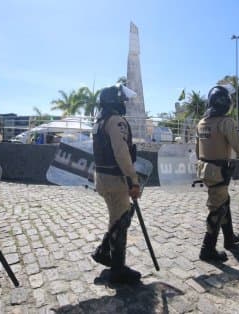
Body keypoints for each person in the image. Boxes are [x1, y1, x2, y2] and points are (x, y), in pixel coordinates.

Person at [195, 85, 239, 263]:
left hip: (205, 168)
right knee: (218, 208)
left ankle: (229, 237)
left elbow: (198, 149)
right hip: (218, 170)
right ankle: (207, 249)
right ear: (225, 103)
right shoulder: (225, 122)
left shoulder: (202, 122)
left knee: (224, 201)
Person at [91, 84, 142, 284]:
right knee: (120, 221)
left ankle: (104, 252)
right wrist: (133, 181)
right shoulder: (116, 121)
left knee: (120, 216)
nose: (123, 103)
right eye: (121, 100)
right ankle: (118, 269)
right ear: (114, 101)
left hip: (102, 178)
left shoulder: (100, 121)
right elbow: (122, 154)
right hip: (115, 180)